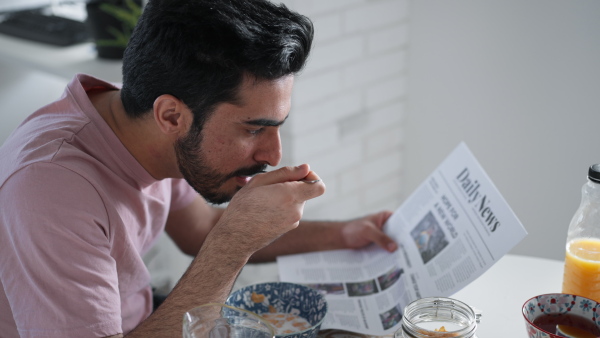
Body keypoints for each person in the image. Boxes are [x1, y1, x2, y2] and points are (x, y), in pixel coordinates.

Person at [0, 0, 397, 337]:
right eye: (254, 128)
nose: (273, 154)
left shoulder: (142, 124)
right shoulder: (49, 191)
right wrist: (234, 243)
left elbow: (200, 230)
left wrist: (345, 233)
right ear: (171, 115)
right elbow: (218, 239)